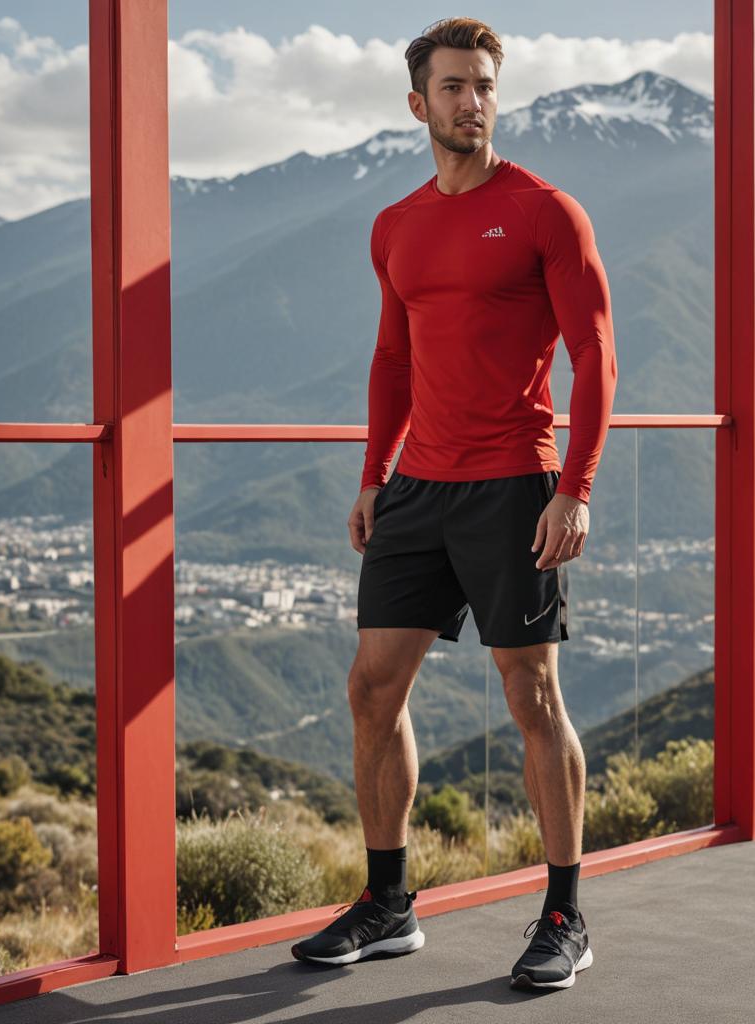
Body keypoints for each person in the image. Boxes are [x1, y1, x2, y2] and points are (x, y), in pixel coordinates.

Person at [291, 15, 616, 991]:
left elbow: (594, 352)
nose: (471, 101)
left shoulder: (545, 211)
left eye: (483, 85)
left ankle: (565, 913)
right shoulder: (394, 224)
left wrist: (576, 485)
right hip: (417, 490)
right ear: (417, 103)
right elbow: (393, 356)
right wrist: (370, 474)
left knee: (532, 693)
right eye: (452, 86)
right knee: (370, 685)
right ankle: (388, 903)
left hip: (515, 484)